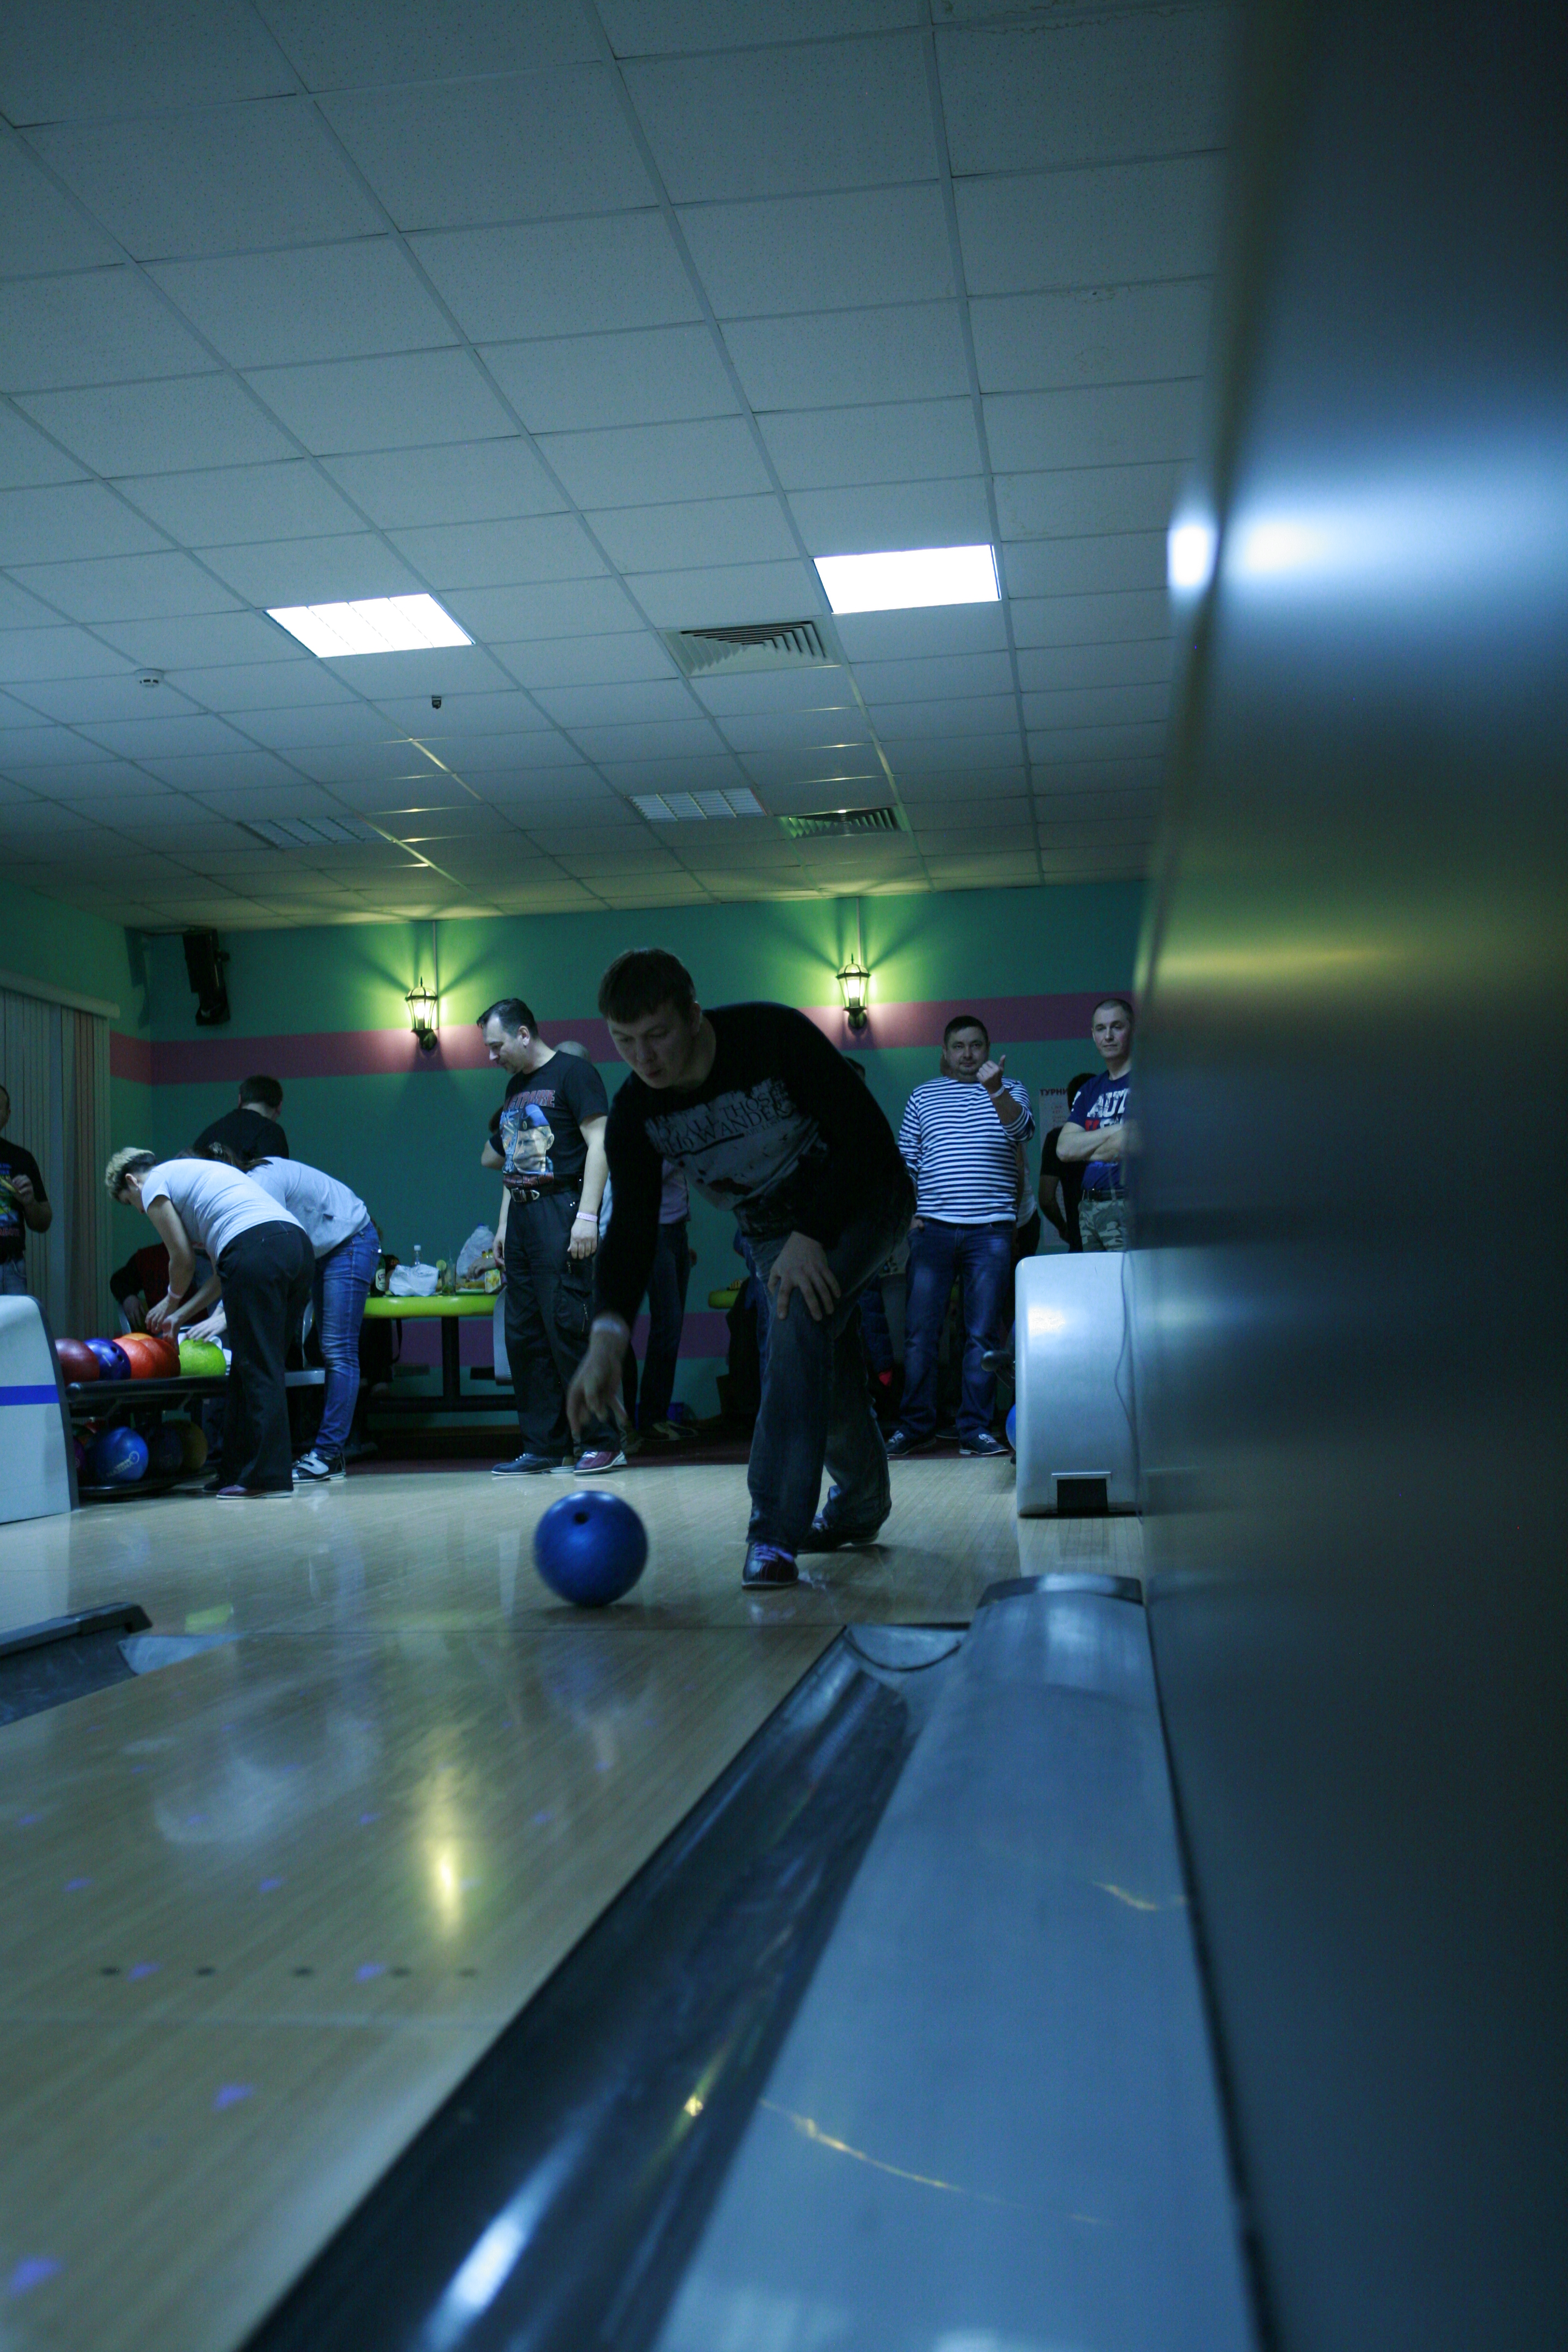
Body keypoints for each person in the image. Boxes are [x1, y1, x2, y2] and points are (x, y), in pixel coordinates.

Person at [566, 948, 913, 1588]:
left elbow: (866, 1140)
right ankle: (861, 1504)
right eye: (624, 1041)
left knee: (797, 1315)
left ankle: (773, 1533)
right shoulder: (637, 1112)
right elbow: (633, 1228)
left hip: (864, 1198)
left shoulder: (771, 1036)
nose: (644, 1057)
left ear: (694, 1015)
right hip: (770, 1231)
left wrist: (811, 1234)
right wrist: (607, 1335)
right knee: (811, 1350)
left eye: (657, 1035)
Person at [104, 1147, 313, 1497]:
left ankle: (268, 1478)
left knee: (256, 1368)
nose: (140, 1211)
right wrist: (179, 1316)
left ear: (132, 1181)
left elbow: (182, 1259)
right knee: (254, 1367)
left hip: (256, 1250)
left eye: (130, 1203)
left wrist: (169, 1301)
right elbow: (221, 1276)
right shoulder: (198, 1182)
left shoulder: (154, 1184)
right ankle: (235, 1472)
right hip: (296, 1248)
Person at [479, 1000, 624, 1478]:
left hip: (561, 1209)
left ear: (524, 1034)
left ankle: (603, 1441)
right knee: (524, 1336)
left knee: (567, 1327)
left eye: (497, 1046)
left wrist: (587, 1216)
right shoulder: (516, 1087)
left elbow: (601, 1142)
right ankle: (543, 1446)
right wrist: (504, 1224)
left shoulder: (574, 1074)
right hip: (522, 1217)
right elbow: (515, 1160)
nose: (492, 1056)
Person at [887, 1015, 1034, 1458]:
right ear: (945, 1053)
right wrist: (907, 1218)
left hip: (990, 1231)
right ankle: (915, 1426)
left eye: (976, 1045)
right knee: (920, 1333)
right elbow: (905, 1162)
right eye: (959, 1046)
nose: (968, 1054)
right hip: (932, 1230)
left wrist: (996, 1091)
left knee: (982, 1334)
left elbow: (1023, 1131)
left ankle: (975, 1429)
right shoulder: (922, 1096)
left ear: (988, 1049)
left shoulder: (1011, 1089)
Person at [199, 1145, 379, 1484]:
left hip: (350, 1240)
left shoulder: (260, 1182)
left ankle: (328, 1454)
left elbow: (258, 1249)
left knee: (337, 1349)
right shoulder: (240, 1191)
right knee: (284, 1352)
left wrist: (224, 1313)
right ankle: (255, 1461)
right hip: (316, 1248)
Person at [1054, 999, 1135, 1250]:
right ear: (1093, 1035)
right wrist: (1118, 1128)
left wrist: (1084, 1147)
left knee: (1126, 1278)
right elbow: (1064, 1149)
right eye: (1101, 1029)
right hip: (1088, 1208)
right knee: (1096, 1277)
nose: (1108, 1036)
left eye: (1117, 1027)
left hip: (1129, 1205)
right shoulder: (1090, 1089)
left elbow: (1133, 1142)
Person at [0, 1082, 52, 1294]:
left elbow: (44, 1222)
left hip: (11, 1268)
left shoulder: (21, 1159)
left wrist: (30, 1203)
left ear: (7, 1115)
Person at [1038, 1071, 1096, 1251]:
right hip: (1117, 1231)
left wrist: (1064, 1228)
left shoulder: (1058, 1138)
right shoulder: (1112, 1135)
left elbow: (1046, 1198)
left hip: (1079, 1235)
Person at [193, 1075, 289, 1164]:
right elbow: (274, 1175)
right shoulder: (272, 1133)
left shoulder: (210, 1133)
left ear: (240, 1099)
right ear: (279, 1106)